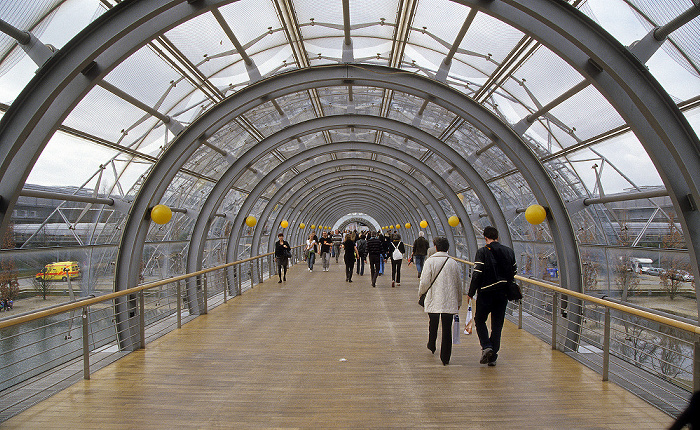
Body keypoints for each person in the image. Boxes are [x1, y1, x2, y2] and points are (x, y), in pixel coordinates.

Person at [467, 226, 517, 367]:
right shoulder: (509, 252)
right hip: (503, 294)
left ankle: (486, 346)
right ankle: (493, 357)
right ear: (497, 237)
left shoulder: (482, 252)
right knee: (497, 325)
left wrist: (471, 293)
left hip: (486, 293)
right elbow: (514, 271)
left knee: (480, 320)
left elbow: (477, 273)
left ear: (485, 238)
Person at [418, 237, 462, 365]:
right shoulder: (453, 263)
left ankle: (432, 344)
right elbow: (458, 284)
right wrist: (458, 301)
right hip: (449, 299)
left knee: (433, 322)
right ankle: (445, 357)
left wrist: (420, 293)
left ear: (435, 247)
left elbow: (424, 281)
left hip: (434, 298)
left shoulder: (430, 261)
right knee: (447, 328)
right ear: (447, 248)